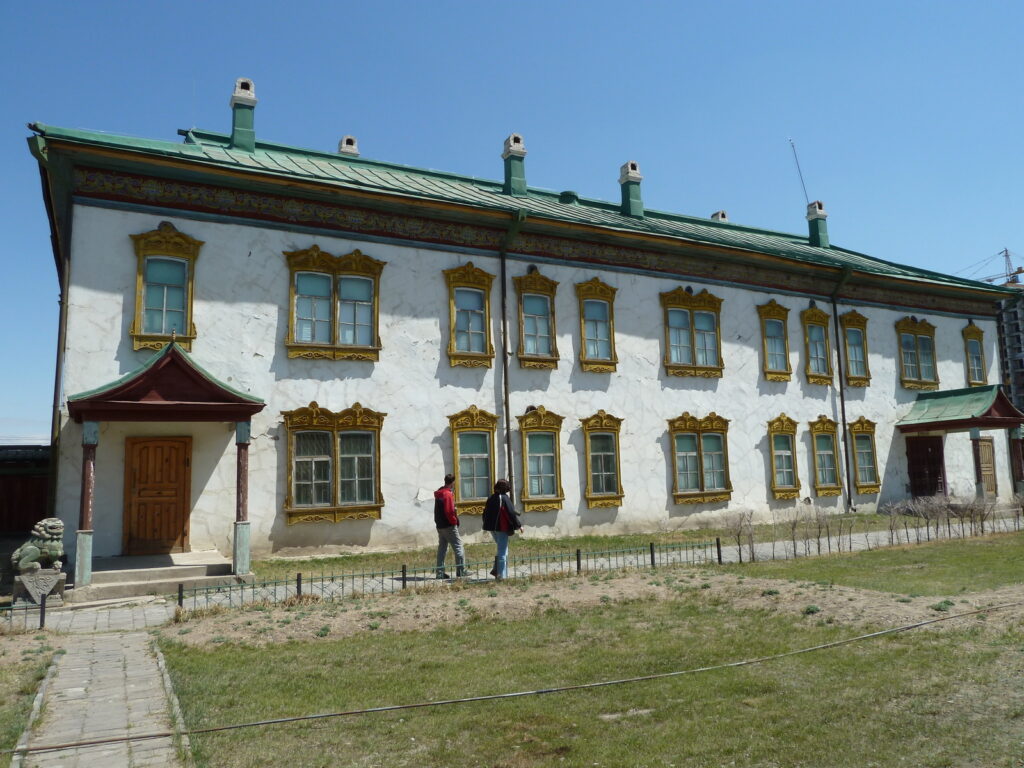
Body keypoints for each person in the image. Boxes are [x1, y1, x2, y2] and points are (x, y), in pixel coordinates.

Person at [482, 479, 523, 580]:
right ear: (505, 488)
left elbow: (485, 513)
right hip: (501, 528)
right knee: (502, 551)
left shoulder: (491, 497)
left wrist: (486, 525)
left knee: (502, 549)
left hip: (492, 528)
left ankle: (497, 571)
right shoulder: (504, 498)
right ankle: (501, 576)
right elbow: (511, 513)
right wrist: (519, 525)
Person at [434, 473, 465, 579]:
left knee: (442, 548)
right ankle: (461, 571)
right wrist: (454, 521)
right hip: (448, 525)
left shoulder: (440, 492)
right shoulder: (447, 494)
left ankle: (439, 572)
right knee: (458, 546)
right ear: (452, 483)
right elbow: (448, 511)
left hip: (440, 524)